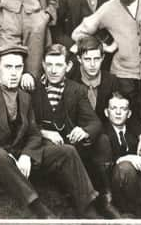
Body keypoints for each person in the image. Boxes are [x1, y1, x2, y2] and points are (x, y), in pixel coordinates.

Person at [0, 45, 103, 219]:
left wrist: (27, 155)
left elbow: (34, 133)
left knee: (67, 151)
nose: (14, 73)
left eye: (18, 67)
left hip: (16, 154)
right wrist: (7, 156)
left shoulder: (24, 96)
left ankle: (88, 208)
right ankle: (39, 209)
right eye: (8, 67)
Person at [30, 44, 122, 218]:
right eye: (49, 65)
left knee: (101, 141)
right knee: (68, 151)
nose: (53, 70)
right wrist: (44, 132)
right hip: (42, 148)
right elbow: (24, 124)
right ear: (43, 64)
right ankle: (88, 208)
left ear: (68, 66)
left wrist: (84, 131)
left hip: (69, 147)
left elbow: (94, 122)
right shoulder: (33, 87)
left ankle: (105, 197)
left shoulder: (76, 89)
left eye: (59, 65)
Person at [72, 0, 141, 130]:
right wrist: (106, 44)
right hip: (124, 74)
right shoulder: (108, 9)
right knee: (130, 122)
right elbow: (77, 33)